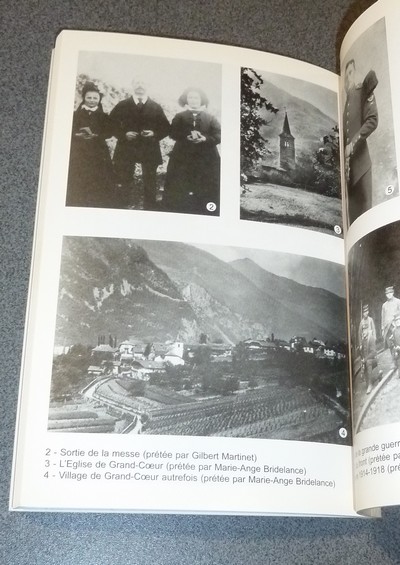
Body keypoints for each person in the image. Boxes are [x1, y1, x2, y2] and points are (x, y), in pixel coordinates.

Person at [110, 77, 170, 210]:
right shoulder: (122, 105)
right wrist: (123, 135)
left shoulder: (155, 107)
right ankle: (121, 207)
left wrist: (154, 134)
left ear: (148, 85)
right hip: (126, 147)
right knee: (124, 178)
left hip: (149, 148)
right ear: (132, 85)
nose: (140, 85)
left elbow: (166, 128)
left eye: (143, 82)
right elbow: (110, 124)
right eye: (137, 82)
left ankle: (150, 208)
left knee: (150, 180)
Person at [163, 87, 221, 215]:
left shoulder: (210, 118)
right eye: (190, 97)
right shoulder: (179, 116)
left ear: (201, 100)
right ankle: (180, 209)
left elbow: (219, 135)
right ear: (186, 99)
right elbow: (172, 133)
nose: (193, 100)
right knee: (181, 182)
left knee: (204, 183)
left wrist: (205, 139)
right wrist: (185, 137)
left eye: (196, 98)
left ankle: (202, 210)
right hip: (183, 156)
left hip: (206, 157)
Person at [66, 82, 115, 207]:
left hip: (98, 152)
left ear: (99, 99)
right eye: (89, 97)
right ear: (84, 98)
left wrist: (97, 136)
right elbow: (68, 130)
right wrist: (77, 135)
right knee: (78, 176)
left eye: (95, 98)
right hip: (78, 151)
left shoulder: (104, 116)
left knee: (98, 177)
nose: (92, 101)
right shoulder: (75, 115)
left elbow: (109, 132)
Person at [343, 59, 378, 225]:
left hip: (362, 168)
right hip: (350, 176)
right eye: (345, 75)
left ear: (355, 73)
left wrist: (352, 144)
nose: (349, 78)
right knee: (353, 225)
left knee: (367, 223)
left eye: (351, 73)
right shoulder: (345, 106)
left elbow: (372, 120)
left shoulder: (363, 91)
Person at [358, 304, 378, 394]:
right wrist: (360, 344)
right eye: (363, 331)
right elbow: (359, 334)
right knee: (364, 367)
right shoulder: (361, 323)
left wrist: (374, 337)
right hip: (366, 360)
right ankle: (369, 382)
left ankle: (370, 384)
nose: (364, 332)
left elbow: (373, 328)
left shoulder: (370, 320)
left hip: (372, 359)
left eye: (366, 311)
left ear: (368, 312)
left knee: (368, 362)